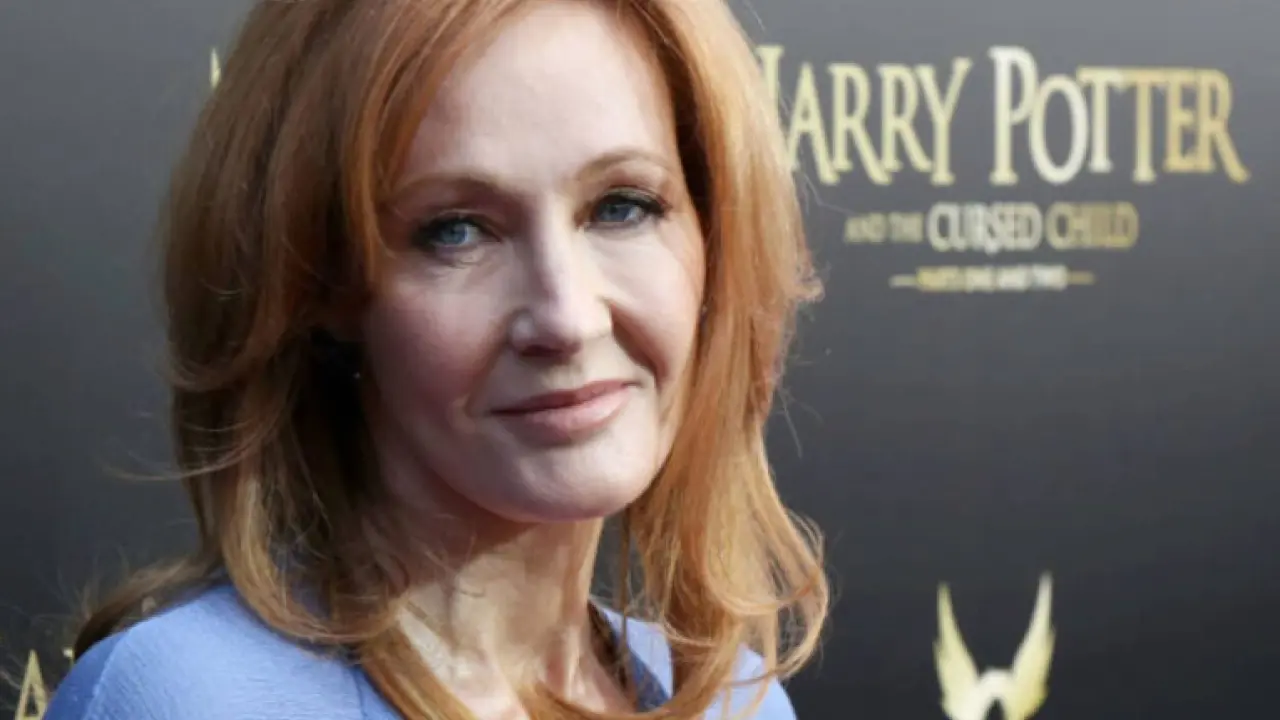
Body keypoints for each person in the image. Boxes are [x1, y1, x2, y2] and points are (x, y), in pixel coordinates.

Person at [46, 0, 828, 717]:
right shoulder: (188, 699)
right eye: (456, 230)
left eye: (622, 207)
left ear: (713, 237)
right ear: (319, 287)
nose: (567, 317)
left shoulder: (737, 704)